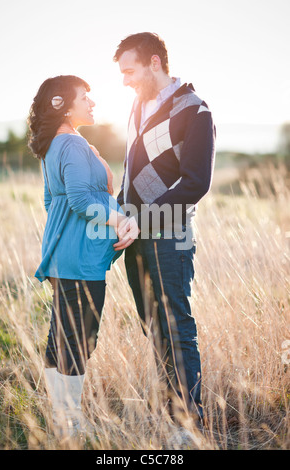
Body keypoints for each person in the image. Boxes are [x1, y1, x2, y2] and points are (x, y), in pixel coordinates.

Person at [113, 33, 216, 427]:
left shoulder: (195, 110)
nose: (125, 80)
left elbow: (195, 183)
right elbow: (131, 173)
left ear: (154, 62)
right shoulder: (136, 106)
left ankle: (188, 426)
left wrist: (143, 218)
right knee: (153, 329)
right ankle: (172, 416)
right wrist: (121, 216)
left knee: (176, 329)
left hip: (171, 237)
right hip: (136, 237)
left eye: (129, 71)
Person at [28, 75, 127, 437]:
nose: (92, 102)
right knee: (78, 340)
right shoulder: (70, 144)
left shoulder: (56, 144)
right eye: (85, 97)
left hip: (63, 257)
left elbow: (51, 202)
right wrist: (122, 223)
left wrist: (69, 234)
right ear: (65, 105)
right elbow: (81, 202)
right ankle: (70, 425)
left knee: (61, 336)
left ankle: (60, 417)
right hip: (79, 262)